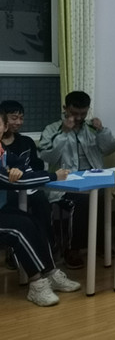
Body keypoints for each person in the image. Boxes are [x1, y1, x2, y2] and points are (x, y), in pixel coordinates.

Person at [0, 109, 80, 306]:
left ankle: (50, 273)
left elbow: (22, 168)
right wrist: (54, 176)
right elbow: (11, 181)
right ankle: (36, 284)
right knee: (19, 229)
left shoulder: (2, 149)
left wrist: (18, 169)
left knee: (34, 222)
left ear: (4, 127)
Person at [39, 91, 115, 269]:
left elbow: (109, 149)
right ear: (65, 108)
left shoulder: (91, 128)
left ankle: (101, 242)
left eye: (83, 113)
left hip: (93, 179)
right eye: (75, 113)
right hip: (64, 184)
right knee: (81, 201)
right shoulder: (52, 129)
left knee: (103, 196)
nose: (79, 118)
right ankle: (72, 248)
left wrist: (102, 131)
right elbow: (47, 156)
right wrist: (64, 133)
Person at [0, 100, 54, 263]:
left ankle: (47, 250)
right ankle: (16, 254)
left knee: (41, 202)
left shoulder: (26, 142)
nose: (18, 122)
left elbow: (34, 166)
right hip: (8, 191)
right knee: (19, 215)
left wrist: (23, 171)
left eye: (21, 118)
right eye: (14, 118)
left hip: (28, 186)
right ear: (4, 121)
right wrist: (54, 176)